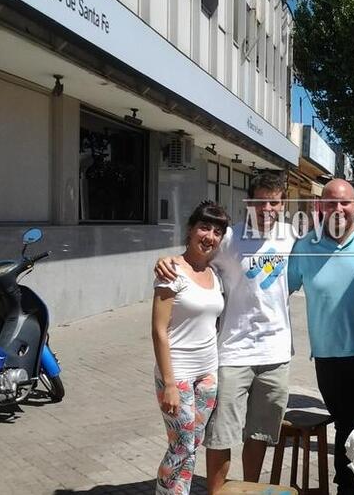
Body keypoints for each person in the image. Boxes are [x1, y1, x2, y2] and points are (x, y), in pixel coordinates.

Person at [155, 172, 294, 494]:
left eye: (274, 203)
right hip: (232, 352)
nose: (267, 209)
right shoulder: (230, 238)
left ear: (283, 204)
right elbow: (194, 257)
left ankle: (247, 489)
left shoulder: (292, 236)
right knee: (221, 434)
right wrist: (166, 260)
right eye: (260, 202)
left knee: (258, 433)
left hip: (276, 354)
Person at [287, 179, 354, 495]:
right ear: (320, 207)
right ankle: (348, 487)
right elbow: (277, 289)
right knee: (345, 424)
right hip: (328, 357)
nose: (338, 209)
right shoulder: (305, 246)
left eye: (345, 202)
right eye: (331, 202)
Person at [151, 200, 229, 494]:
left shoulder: (215, 274)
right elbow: (159, 330)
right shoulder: (171, 270)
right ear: (191, 230)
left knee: (192, 444)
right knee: (181, 444)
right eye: (204, 227)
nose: (209, 236)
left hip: (207, 373)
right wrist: (169, 383)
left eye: (217, 232)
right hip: (178, 373)